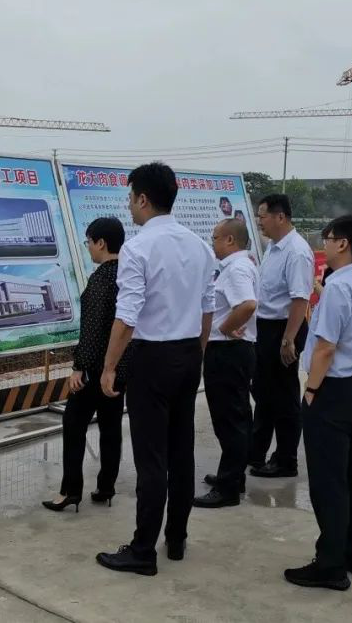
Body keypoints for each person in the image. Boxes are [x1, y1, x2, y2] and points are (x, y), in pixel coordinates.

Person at [95, 162, 216, 576]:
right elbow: (207, 307)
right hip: (188, 353)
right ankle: (176, 537)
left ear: (143, 199)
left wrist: (109, 367)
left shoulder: (138, 248)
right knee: (181, 452)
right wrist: (197, 352)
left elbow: (127, 317)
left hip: (152, 358)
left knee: (151, 459)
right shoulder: (199, 245)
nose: (129, 206)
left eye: (131, 198)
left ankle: (142, 549)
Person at [285, 215, 352, 591]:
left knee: (329, 481)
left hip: (333, 389)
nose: (323, 244)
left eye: (327, 238)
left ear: (343, 243)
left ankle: (330, 564)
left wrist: (311, 391)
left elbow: (326, 347)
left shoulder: (339, 286)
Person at [44, 217, 130, 512]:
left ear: (101, 243)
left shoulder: (101, 279)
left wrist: (78, 366)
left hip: (95, 369)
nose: (89, 248)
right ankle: (106, 487)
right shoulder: (126, 276)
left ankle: (70, 490)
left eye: (89, 242)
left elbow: (92, 330)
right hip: (119, 368)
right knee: (110, 428)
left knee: (73, 425)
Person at [195, 219, 259, 509]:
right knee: (237, 417)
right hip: (234, 351)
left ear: (230, 240)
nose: (213, 243)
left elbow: (247, 304)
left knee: (230, 420)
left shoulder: (236, 269)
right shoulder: (240, 265)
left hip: (228, 351)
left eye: (215, 238)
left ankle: (228, 487)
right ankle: (233, 475)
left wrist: (224, 328)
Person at [250, 194, 314, 478]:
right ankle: (256, 453)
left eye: (262, 215)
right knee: (264, 394)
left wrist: (288, 340)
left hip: (284, 329)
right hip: (266, 328)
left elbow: (300, 299)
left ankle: (286, 460)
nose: (259, 221)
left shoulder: (296, 251)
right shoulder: (274, 248)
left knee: (284, 397)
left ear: (280, 217)